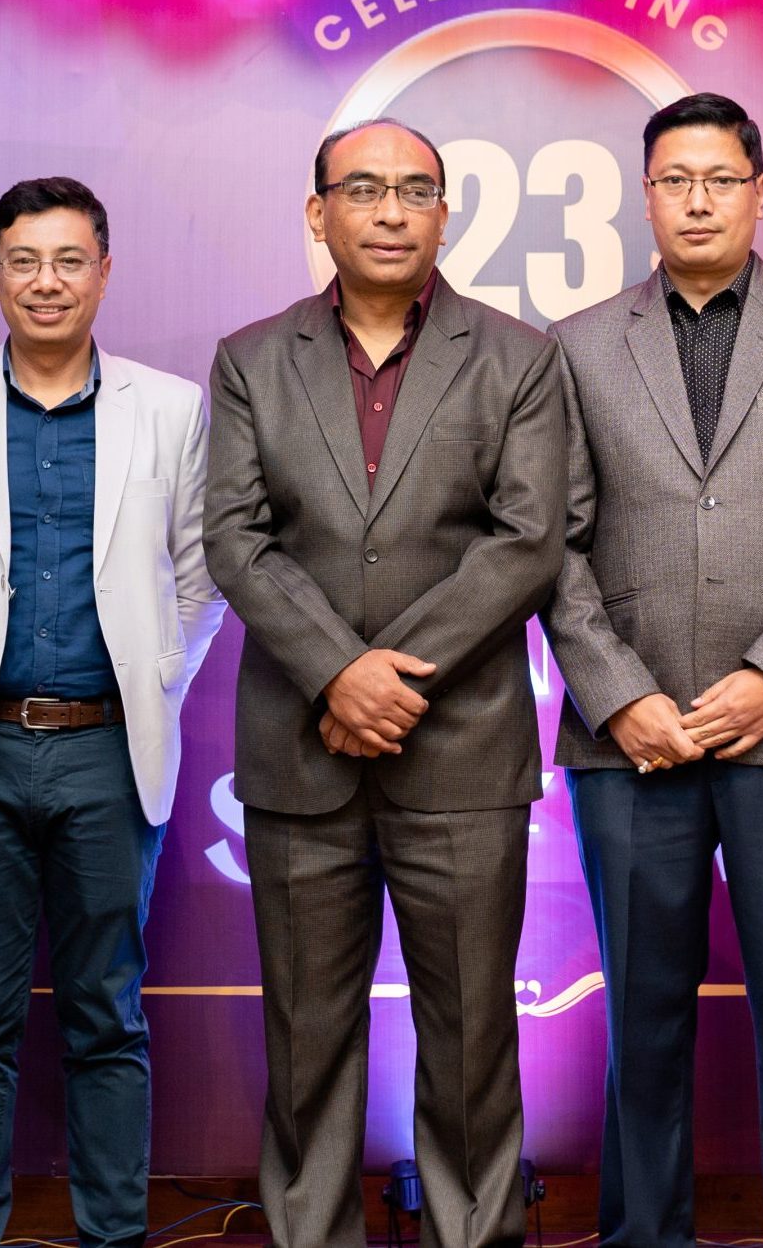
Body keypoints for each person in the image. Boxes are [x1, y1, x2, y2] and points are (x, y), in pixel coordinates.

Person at [541, 92, 763, 1248]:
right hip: (630, 742)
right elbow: (550, 544)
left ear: (757, 190)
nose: (696, 200)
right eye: (673, 180)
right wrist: (618, 695)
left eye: (719, 179)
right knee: (639, 1029)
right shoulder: (576, 345)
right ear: (644, 195)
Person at [203, 119, 564, 1248]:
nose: (391, 210)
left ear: (445, 213)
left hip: (461, 751)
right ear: (318, 213)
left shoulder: (514, 357)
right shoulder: (252, 358)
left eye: (415, 190)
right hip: (299, 751)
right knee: (304, 1041)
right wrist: (335, 675)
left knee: (470, 1041)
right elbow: (234, 538)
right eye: (363, 190)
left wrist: (388, 680)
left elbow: (526, 541)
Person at [0, 176, 224, 1248]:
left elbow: (201, 576)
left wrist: (153, 679)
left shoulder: (168, 408)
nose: (46, 282)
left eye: (69, 260)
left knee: (106, 1017)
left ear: (104, 271)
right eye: (24, 261)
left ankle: (113, 1234)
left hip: (106, 754)